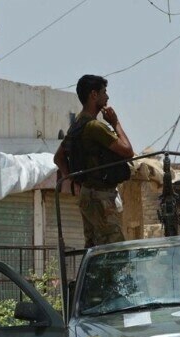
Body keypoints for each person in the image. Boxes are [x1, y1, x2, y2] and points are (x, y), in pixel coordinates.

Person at [54, 74, 135, 248]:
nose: (107, 97)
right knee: (114, 248)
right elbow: (128, 151)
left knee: (94, 247)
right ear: (93, 95)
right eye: (104, 92)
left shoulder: (78, 124)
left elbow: (58, 157)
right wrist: (115, 123)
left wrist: (74, 180)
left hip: (88, 195)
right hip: (100, 197)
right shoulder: (94, 126)